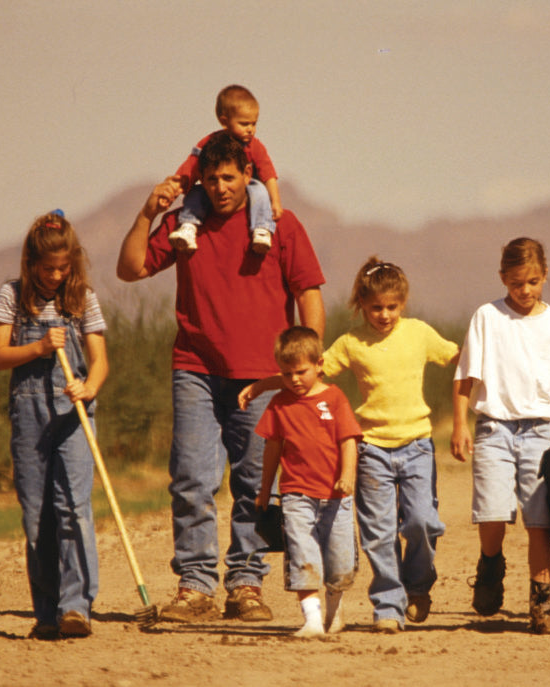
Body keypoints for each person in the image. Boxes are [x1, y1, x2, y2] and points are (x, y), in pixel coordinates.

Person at [116, 131, 326, 623]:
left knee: (256, 482)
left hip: (263, 377)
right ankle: (195, 587)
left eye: (229, 178)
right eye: (210, 179)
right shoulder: (185, 225)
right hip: (195, 369)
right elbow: (129, 269)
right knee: (191, 478)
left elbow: (309, 293)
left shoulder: (280, 224)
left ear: (247, 175)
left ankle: (247, 585)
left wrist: (308, 367)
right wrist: (147, 212)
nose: (220, 188)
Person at [241, 258, 459, 633]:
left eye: (392, 306)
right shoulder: (352, 343)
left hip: (418, 445)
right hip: (371, 447)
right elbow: (307, 372)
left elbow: (462, 358)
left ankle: (419, 585)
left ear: (402, 303)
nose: (385, 315)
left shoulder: (420, 333)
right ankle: (388, 605)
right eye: (376, 307)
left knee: (423, 521)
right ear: (362, 304)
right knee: (379, 530)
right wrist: (262, 385)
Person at [451, 237, 550, 634]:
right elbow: (465, 377)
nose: (525, 291)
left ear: (545, 276)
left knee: (541, 519)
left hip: (541, 434)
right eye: (516, 284)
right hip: (493, 429)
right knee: (491, 513)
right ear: (503, 278)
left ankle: (541, 602)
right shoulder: (487, 317)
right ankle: (491, 564)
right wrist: (459, 425)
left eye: (534, 282)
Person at [0, 210, 110, 640]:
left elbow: (100, 361)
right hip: (29, 415)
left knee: (74, 507)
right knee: (37, 515)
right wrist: (38, 346)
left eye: (64, 267)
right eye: (48, 268)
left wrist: (88, 388)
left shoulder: (83, 298)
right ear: (31, 262)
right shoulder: (12, 296)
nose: (57, 276)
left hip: (73, 416)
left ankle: (77, 607)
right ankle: (47, 611)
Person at [253, 327, 362, 638]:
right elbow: (272, 448)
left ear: (319, 364)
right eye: (286, 374)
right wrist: (264, 490)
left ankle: (334, 605)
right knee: (302, 554)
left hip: (336, 496)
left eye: (301, 371)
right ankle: (312, 620)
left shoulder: (335, 398)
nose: (294, 379)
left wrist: (347, 475)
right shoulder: (279, 404)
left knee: (339, 560)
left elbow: (348, 440)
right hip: (295, 494)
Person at [168, 84, 282, 254]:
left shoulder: (254, 146)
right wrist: (177, 187)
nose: (250, 129)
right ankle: (189, 227)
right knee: (196, 194)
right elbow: (192, 165)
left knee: (259, 190)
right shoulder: (210, 144)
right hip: (212, 192)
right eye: (244, 124)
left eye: (254, 124)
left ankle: (261, 229)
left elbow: (268, 174)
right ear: (224, 121)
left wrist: (275, 201)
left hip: (247, 189)